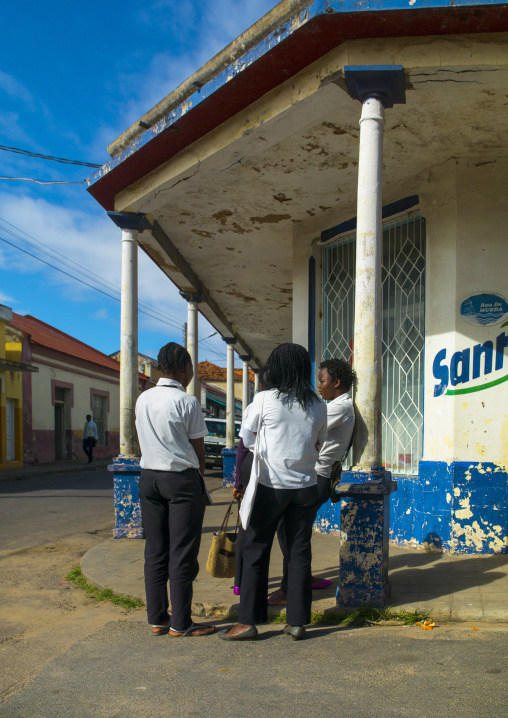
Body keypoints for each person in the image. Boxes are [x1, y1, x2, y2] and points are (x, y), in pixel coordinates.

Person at [218, 343, 327, 642]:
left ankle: (248, 622)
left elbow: (248, 442)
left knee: (255, 549)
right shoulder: (318, 405)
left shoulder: (264, 400)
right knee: (299, 552)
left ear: (276, 369)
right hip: (305, 488)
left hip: (270, 487)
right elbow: (319, 443)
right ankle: (297, 622)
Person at [135, 342, 215, 638]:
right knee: (182, 552)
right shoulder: (187, 401)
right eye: (191, 367)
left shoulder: (144, 398)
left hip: (149, 478)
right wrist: (199, 477)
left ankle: (157, 618)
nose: (192, 373)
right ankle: (181, 623)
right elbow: (198, 448)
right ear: (183, 368)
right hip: (180, 480)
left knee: (155, 550)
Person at [267, 357, 356, 606]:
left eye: (322, 380)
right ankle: (301, 577)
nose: (318, 385)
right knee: (292, 530)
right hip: (317, 474)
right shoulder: (338, 404)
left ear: (336, 382)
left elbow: (307, 426)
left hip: (318, 476)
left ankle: (290, 587)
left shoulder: (339, 407)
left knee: (291, 531)